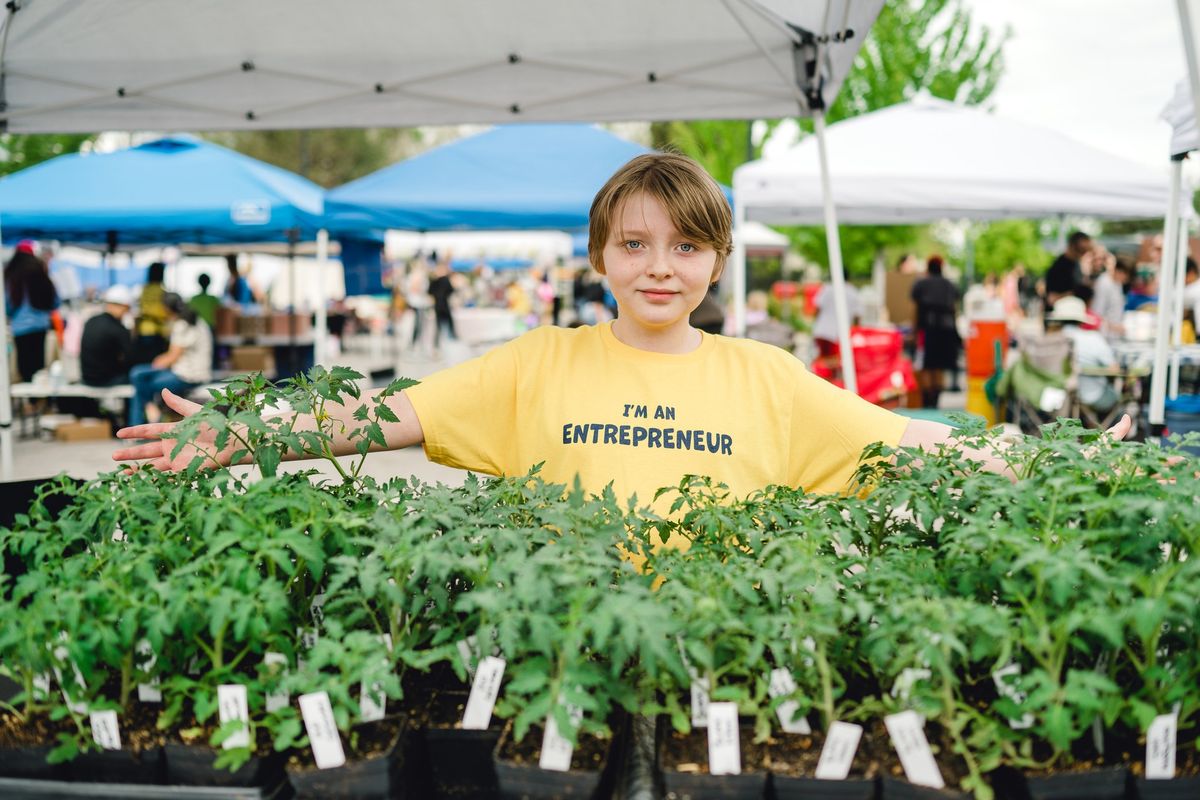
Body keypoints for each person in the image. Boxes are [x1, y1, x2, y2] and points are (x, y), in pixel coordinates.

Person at [114, 153, 1132, 534]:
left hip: (718, 670)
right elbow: (385, 413)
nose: (661, 266)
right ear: (599, 252)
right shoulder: (537, 362)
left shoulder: (767, 379)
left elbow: (913, 440)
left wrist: (1056, 455)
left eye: (687, 246)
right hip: (560, 657)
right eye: (636, 242)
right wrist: (247, 430)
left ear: (717, 261)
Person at [127, 292, 212, 428]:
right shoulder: (197, 321)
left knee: (138, 377)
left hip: (187, 377)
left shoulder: (182, 324)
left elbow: (172, 357)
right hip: (193, 373)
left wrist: (157, 361)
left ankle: (141, 421)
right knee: (139, 378)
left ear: (166, 308)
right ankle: (149, 413)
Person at [1046, 295, 1118, 412]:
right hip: (1091, 396)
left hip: (1054, 396)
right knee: (1118, 399)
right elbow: (1114, 368)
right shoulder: (1093, 338)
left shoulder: (1049, 339)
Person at [911, 255, 960, 409]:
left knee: (926, 365)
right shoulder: (950, 286)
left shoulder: (921, 284)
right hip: (946, 330)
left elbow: (916, 310)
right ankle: (936, 400)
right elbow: (954, 309)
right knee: (939, 366)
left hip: (927, 329)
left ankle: (927, 399)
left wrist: (914, 330)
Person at [4, 245, 59, 382]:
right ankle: (37, 400)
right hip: (41, 326)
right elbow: (55, 302)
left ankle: (29, 400)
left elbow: (7, 304)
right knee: (39, 367)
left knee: (24, 367)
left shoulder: (11, 275)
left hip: (20, 328)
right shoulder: (41, 273)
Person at [80, 285, 134, 387]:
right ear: (124, 306)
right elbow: (130, 359)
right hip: (106, 381)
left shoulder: (91, 321)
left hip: (87, 378)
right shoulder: (119, 329)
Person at [811, 280, 861, 360]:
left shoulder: (827, 288)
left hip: (822, 331)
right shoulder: (853, 292)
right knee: (835, 362)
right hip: (840, 335)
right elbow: (857, 317)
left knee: (822, 362)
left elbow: (817, 308)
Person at [133, 261, 170, 365]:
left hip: (143, 329)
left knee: (144, 360)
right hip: (159, 331)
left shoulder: (142, 290)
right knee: (156, 361)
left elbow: (137, 311)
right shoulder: (163, 292)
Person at [1044, 231, 1093, 306]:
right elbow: (1051, 298)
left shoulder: (1076, 264)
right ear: (1072, 246)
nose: (1084, 253)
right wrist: (1072, 295)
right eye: (1082, 250)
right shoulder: (1058, 267)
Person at [1092, 257, 1132, 336]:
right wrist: (1113, 327)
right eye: (1125, 277)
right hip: (1103, 334)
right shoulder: (1103, 284)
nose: (1125, 280)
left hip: (1114, 334)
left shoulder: (1118, 283)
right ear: (1119, 271)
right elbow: (1097, 313)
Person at [427, 260, 457, 353]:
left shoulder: (436, 281)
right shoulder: (443, 280)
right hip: (443, 305)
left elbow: (429, 292)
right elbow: (451, 290)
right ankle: (448, 339)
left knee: (441, 324)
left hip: (439, 305)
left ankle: (439, 342)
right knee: (445, 323)